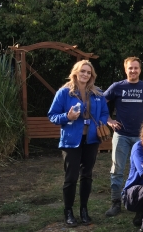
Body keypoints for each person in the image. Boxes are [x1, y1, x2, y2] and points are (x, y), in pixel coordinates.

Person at [48, 60, 109, 227]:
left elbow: (104, 113)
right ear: (75, 72)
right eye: (82, 71)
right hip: (71, 141)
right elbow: (52, 115)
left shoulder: (97, 93)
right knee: (71, 177)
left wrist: (101, 123)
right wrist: (67, 117)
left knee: (87, 175)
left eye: (88, 72)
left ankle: (84, 209)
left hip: (91, 140)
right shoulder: (64, 92)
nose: (85, 74)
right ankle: (68, 211)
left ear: (92, 75)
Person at [104, 56, 143, 217]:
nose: (133, 71)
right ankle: (116, 203)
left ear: (140, 70)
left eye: (136, 68)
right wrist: (109, 120)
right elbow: (100, 102)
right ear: (125, 69)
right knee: (117, 170)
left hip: (141, 137)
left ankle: (139, 203)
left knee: (142, 170)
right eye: (130, 68)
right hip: (121, 135)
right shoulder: (117, 87)